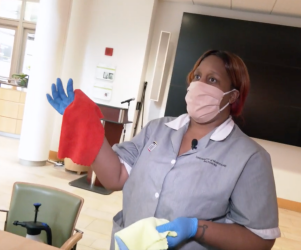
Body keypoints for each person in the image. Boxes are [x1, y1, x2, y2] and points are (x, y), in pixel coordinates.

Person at [47, 50, 281, 250]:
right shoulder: (158, 129)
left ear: (232, 95)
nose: (200, 84)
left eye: (212, 80)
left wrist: (196, 228)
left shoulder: (250, 157)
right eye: (197, 76)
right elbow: (115, 177)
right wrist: (84, 124)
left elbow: (260, 239)